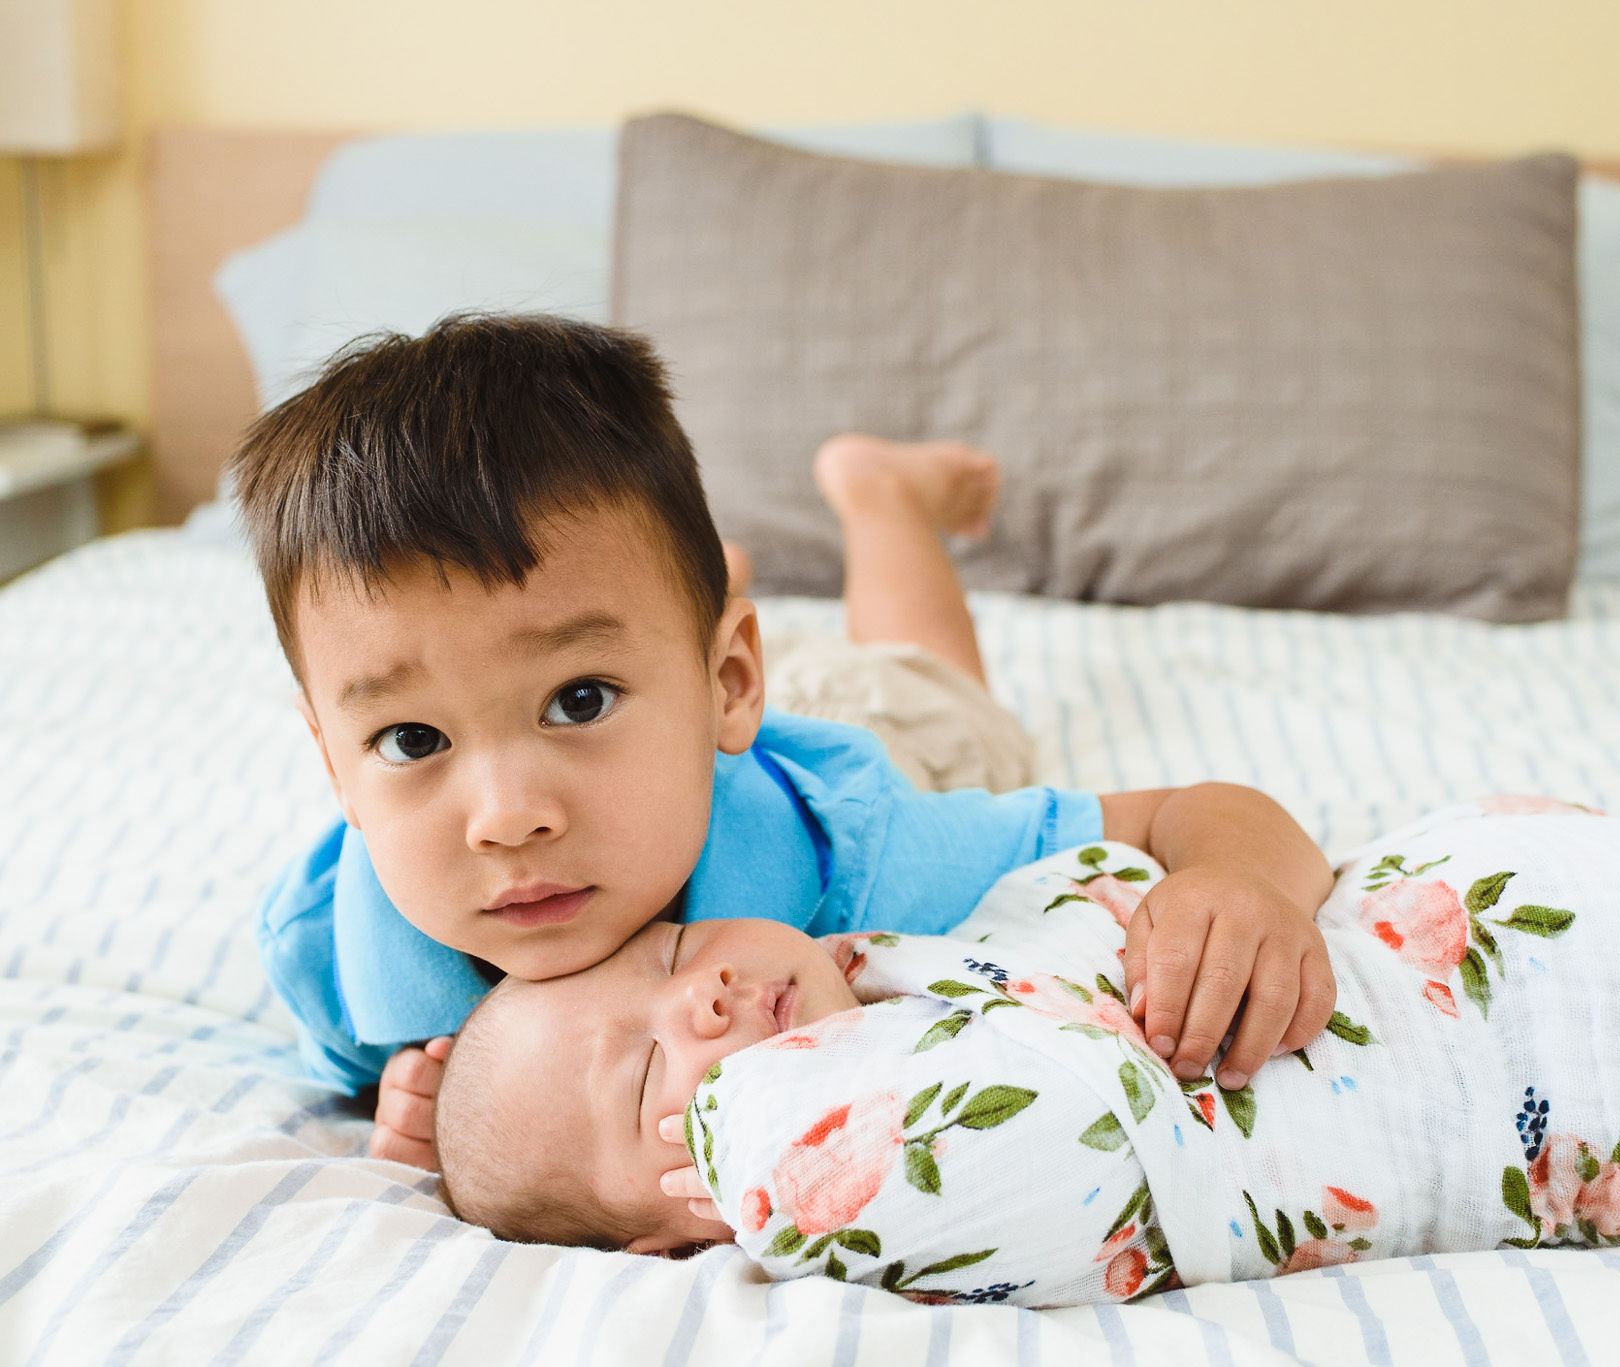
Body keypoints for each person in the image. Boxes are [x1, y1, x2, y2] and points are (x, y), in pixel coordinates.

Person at [232, 316, 1339, 1220]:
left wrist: (1236, 880)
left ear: (731, 683)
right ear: (333, 763)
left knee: (932, 688)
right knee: (640, 625)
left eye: (579, 698)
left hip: (869, 736)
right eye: (412, 740)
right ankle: (670, 611)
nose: (507, 817)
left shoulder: (866, 863)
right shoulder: (330, 945)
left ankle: (883, 501)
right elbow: (414, 1088)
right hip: (689, 699)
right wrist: (410, 1112)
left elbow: (1194, 812)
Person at [431, 783, 1620, 1307]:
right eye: (649, 1071)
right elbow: (1055, 1129)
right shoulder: (868, 1171)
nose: (700, 1000)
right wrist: (752, 1149)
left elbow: (1147, 853)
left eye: (667, 952)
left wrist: (1233, 887)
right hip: (1557, 1057)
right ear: (679, 1220)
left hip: (1440, 909)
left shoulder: (902, 940)